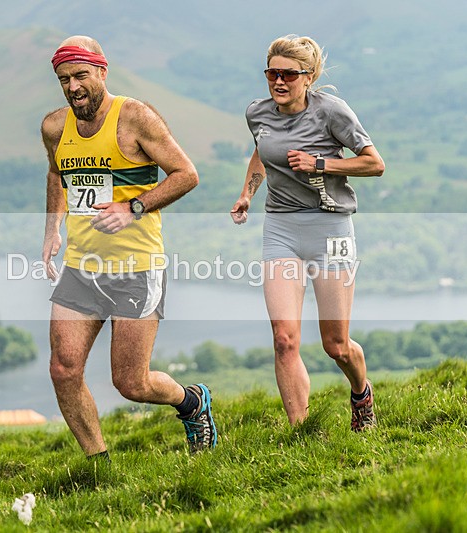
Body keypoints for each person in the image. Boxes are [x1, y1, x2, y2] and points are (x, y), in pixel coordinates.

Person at [41, 35, 217, 458]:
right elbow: (56, 173)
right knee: (64, 370)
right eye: (64, 79)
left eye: (81, 75)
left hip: (137, 266)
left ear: (102, 71)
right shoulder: (53, 126)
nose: (73, 87)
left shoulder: (135, 117)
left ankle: (192, 403)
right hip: (82, 266)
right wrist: (52, 228)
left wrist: (132, 207)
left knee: (131, 383)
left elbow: (186, 174)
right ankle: (98, 464)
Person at [230, 35, 385, 431]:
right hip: (280, 228)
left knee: (336, 345)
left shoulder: (332, 112)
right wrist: (247, 193)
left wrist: (321, 164)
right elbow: (261, 151)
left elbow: (374, 164)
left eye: (289, 75)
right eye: (272, 73)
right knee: (284, 339)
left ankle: (361, 393)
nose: (279, 82)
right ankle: (302, 431)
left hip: (330, 228)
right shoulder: (257, 113)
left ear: (309, 76)